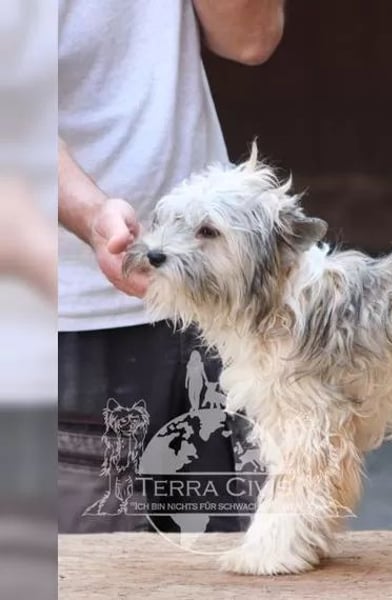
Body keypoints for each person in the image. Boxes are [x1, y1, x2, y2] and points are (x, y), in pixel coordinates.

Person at [57, 0, 285, 533]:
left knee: (234, 563)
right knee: (88, 575)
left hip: (215, 301)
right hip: (66, 311)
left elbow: (251, 39)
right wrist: (93, 217)